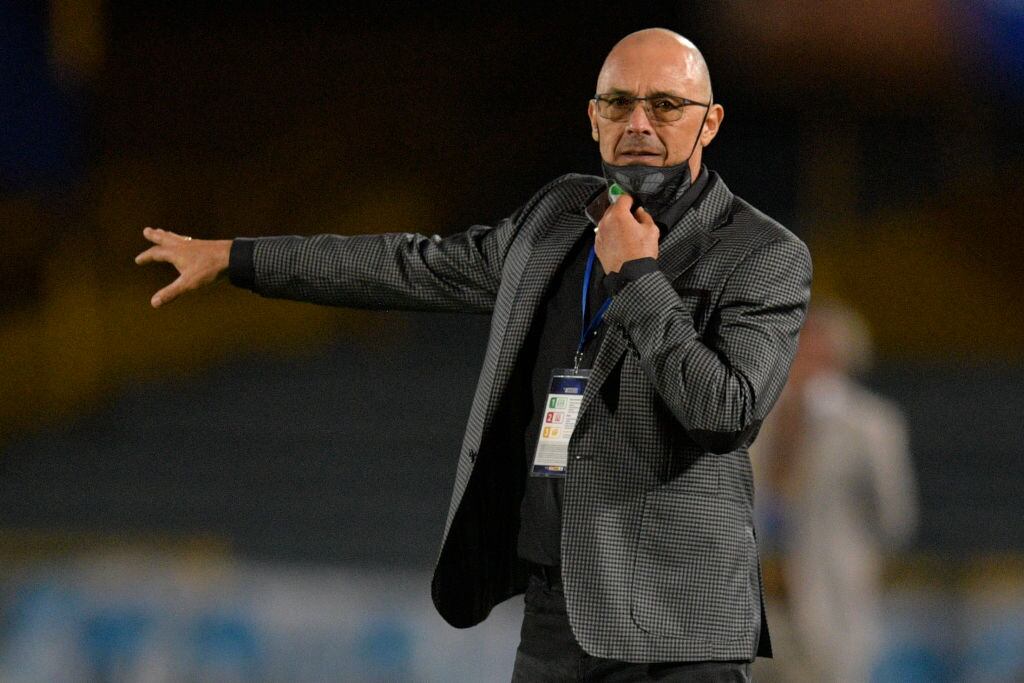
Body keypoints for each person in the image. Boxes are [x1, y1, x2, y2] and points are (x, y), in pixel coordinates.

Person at [136, 28, 811, 681]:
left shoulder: (762, 254)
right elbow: (410, 266)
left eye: (665, 105)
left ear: (710, 122)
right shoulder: (558, 215)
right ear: (593, 117)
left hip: (676, 632)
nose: (638, 121)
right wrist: (238, 258)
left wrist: (638, 279)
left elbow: (724, 410)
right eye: (618, 103)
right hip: (558, 611)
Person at [750, 302, 917, 683]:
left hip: (829, 599)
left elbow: (894, 518)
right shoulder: (758, 412)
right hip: (756, 599)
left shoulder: (872, 425)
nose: (804, 356)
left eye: (817, 347)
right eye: (799, 344)